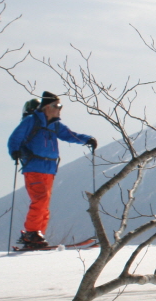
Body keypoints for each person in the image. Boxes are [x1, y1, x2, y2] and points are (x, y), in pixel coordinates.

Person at [7, 91, 96, 249]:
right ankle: (31, 233)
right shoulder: (31, 121)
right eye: (57, 105)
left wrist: (87, 139)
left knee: (44, 203)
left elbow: (70, 135)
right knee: (40, 199)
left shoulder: (55, 125)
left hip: (49, 169)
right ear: (47, 107)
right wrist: (14, 151)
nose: (60, 109)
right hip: (33, 167)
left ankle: (37, 235)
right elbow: (15, 137)